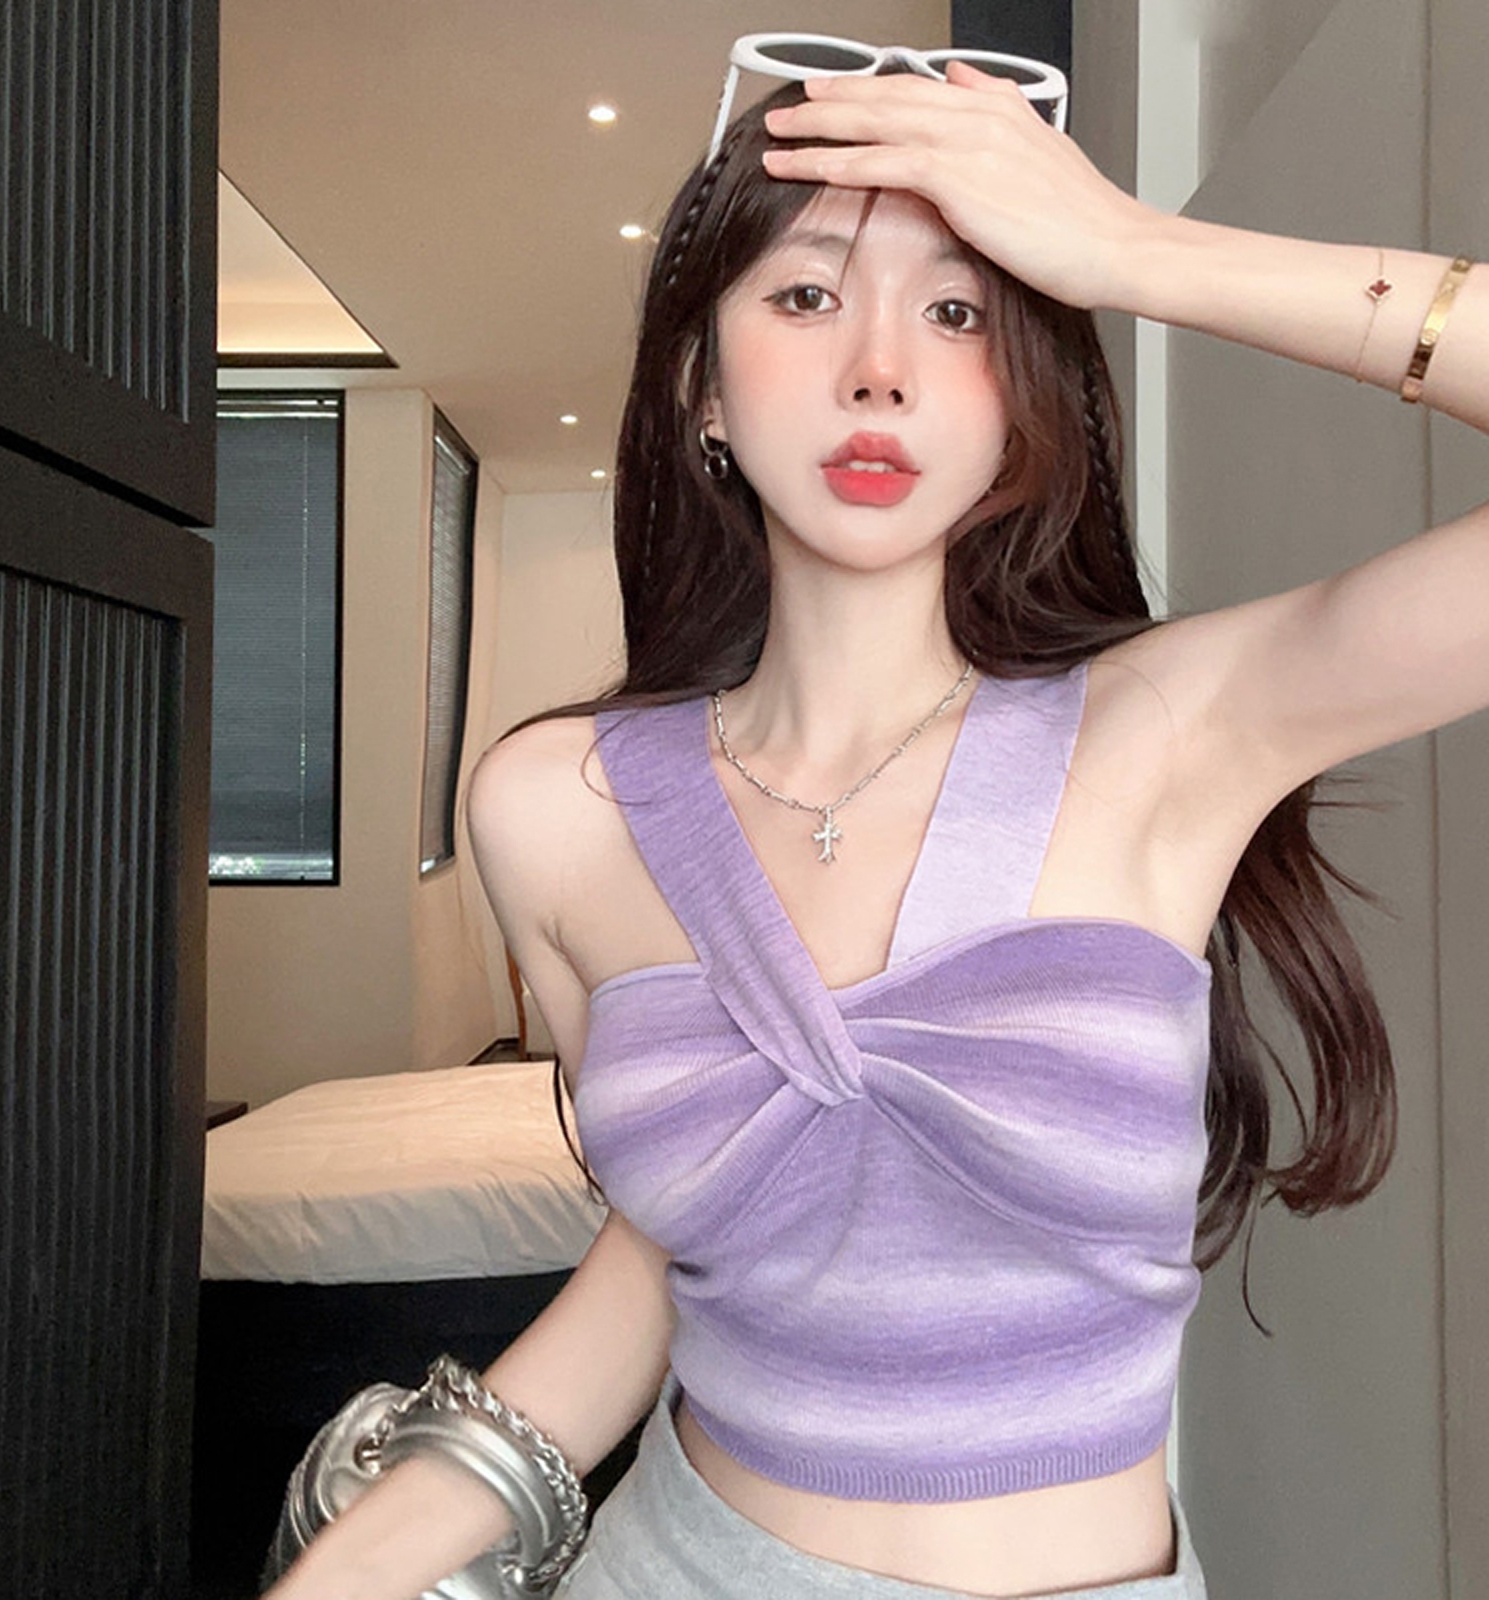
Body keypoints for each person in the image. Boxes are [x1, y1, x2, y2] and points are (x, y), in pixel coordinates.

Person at [264, 47, 1487, 1600]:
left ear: (1018, 410)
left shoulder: (1172, 732)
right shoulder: (553, 809)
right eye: (805, 296)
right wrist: (349, 1567)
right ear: (704, 390)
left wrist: (1129, 252)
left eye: (959, 313)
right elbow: (666, 1266)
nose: (880, 371)